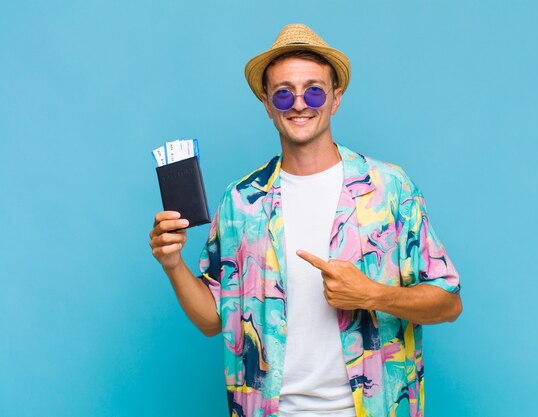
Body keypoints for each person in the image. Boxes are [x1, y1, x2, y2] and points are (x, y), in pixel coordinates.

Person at [149, 23, 462, 417]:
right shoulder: (242, 201)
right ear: (267, 104)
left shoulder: (390, 190)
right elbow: (214, 321)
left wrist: (372, 294)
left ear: (335, 98)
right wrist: (173, 263)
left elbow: (448, 302)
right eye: (283, 93)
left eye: (313, 90)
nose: (299, 104)